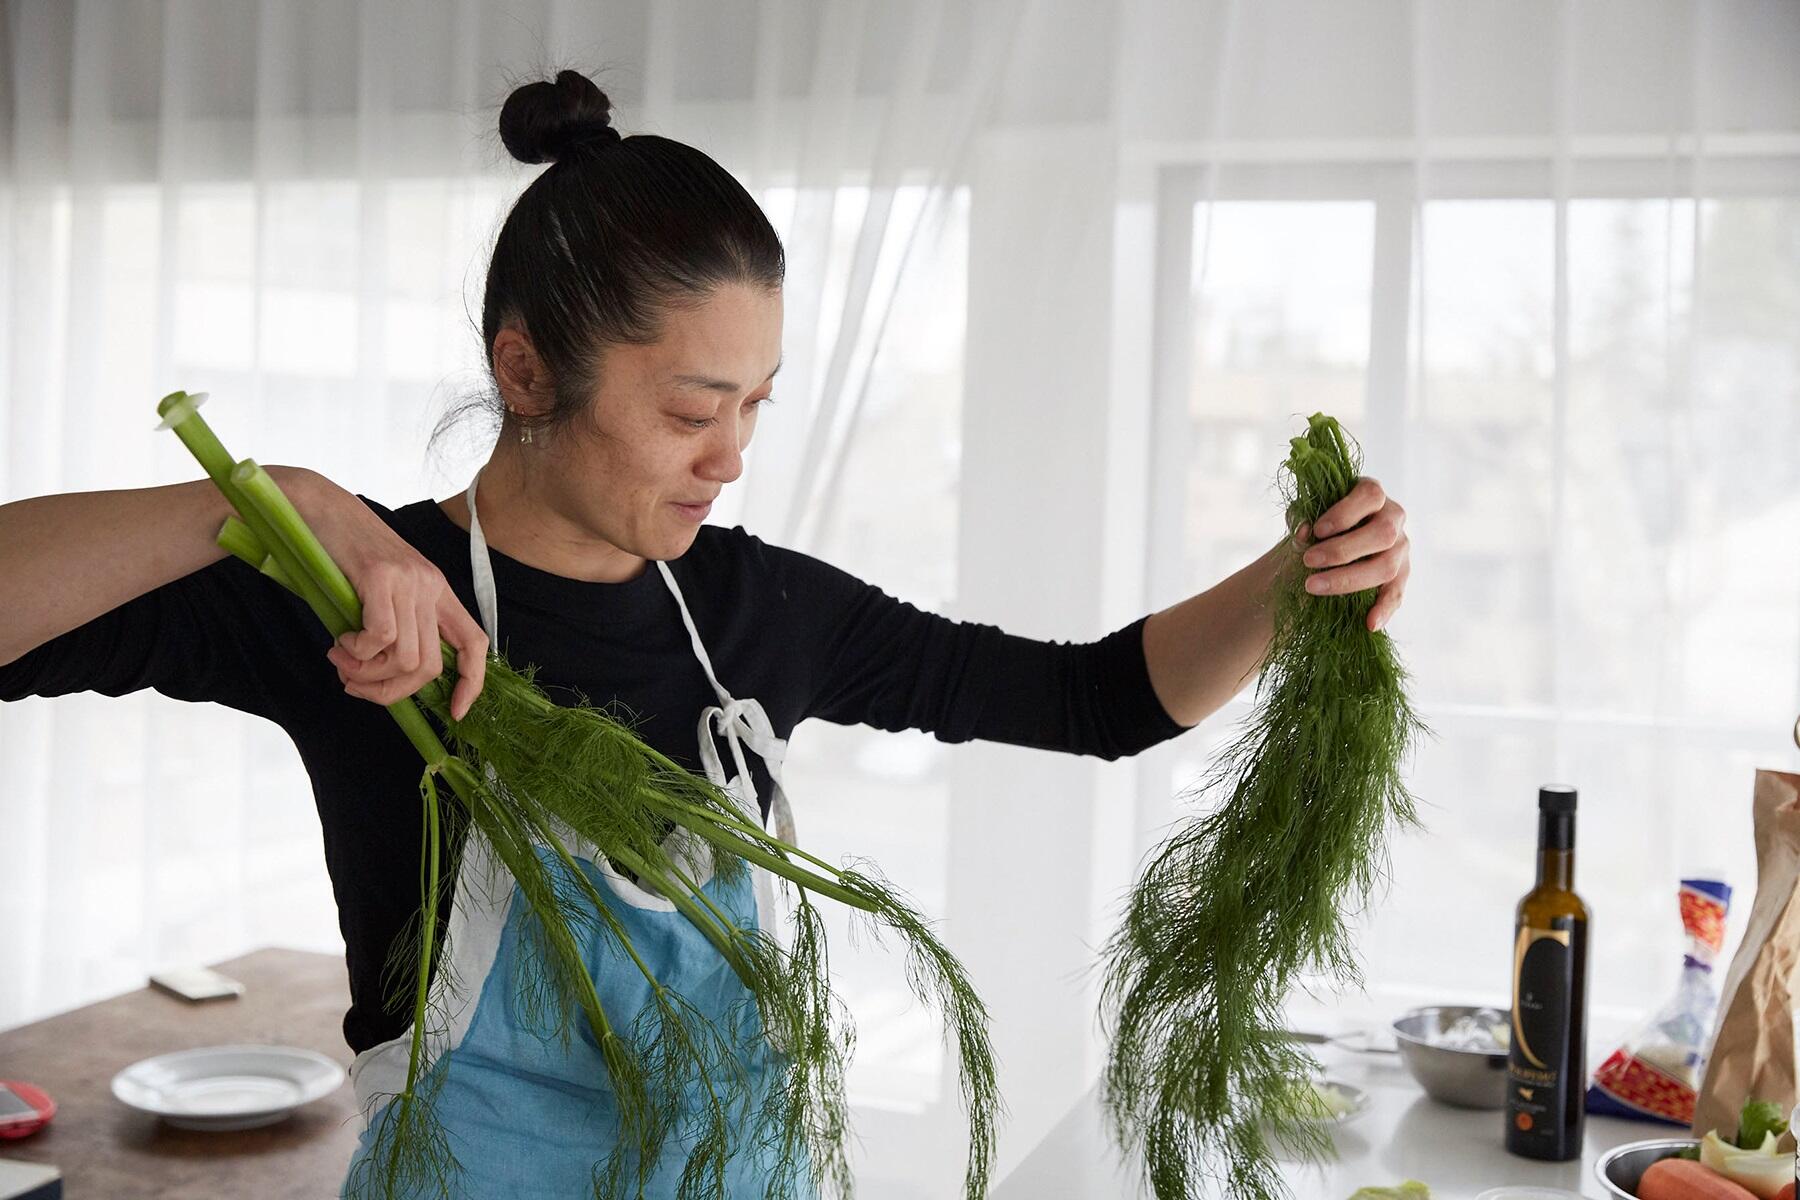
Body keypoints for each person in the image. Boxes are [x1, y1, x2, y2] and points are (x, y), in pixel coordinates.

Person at [0, 69, 1410, 1199]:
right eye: (689, 411)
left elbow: (1092, 699)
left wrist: (1299, 580)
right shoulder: (357, 592)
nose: (728, 457)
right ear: (525, 368)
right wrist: (270, 501)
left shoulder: (754, 608)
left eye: (755, 406)